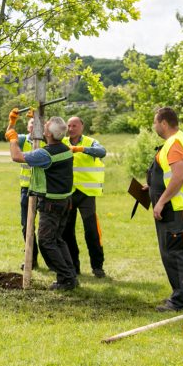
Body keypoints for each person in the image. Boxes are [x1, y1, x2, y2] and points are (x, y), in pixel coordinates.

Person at [7, 113, 77, 290]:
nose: (43, 129)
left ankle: (66, 278)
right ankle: (70, 275)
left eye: (45, 128)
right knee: (58, 239)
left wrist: (13, 139)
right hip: (65, 201)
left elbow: (16, 156)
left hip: (51, 204)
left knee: (46, 241)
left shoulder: (45, 154)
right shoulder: (66, 149)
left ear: (49, 135)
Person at [147, 106, 183, 312]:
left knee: (174, 253)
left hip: (176, 207)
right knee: (180, 251)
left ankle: (179, 300)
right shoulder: (177, 140)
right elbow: (169, 175)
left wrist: (161, 201)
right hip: (178, 206)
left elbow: (179, 177)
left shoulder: (173, 144)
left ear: (163, 123)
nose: (154, 126)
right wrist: (152, 186)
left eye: (155, 122)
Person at [62, 116, 108, 278]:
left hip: (86, 194)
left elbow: (102, 152)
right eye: (69, 125)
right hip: (69, 193)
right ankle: (74, 267)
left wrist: (80, 149)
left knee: (92, 231)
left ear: (82, 126)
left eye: (75, 125)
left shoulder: (90, 141)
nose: (71, 128)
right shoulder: (62, 142)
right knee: (67, 232)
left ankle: (97, 267)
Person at [16, 117, 39, 268]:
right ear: (27, 126)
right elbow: (9, 135)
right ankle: (31, 258)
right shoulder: (23, 140)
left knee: (48, 228)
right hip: (27, 189)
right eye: (32, 123)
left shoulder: (46, 139)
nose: (34, 126)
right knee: (27, 225)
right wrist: (12, 122)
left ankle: (54, 261)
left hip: (45, 189)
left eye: (37, 123)